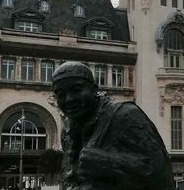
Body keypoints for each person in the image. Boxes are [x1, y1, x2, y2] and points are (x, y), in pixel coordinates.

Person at [52, 61, 175, 190]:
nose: (69, 99)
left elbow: (161, 174)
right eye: (60, 94)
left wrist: (106, 162)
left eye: (77, 90)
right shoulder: (68, 131)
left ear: (94, 89)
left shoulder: (126, 115)